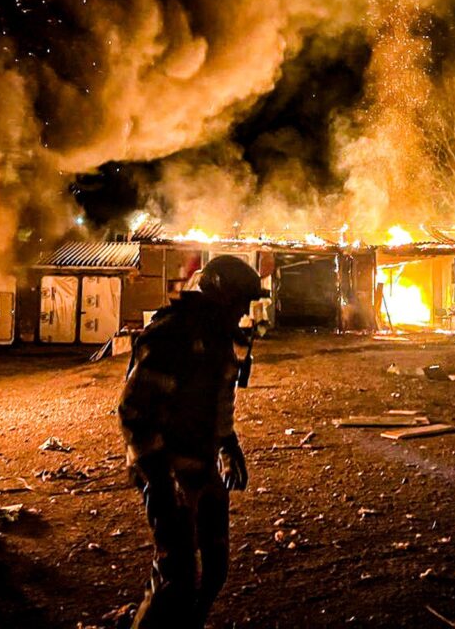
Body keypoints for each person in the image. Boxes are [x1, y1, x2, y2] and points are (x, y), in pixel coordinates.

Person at [118, 256, 268, 629]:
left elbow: (221, 398)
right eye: (240, 301)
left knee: (215, 568)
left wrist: (228, 445)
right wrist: (160, 479)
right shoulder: (170, 335)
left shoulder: (222, 337)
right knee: (176, 575)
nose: (243, 311)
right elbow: (134, 412)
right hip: (166, 467)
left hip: (201, 464)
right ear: (220, 294)